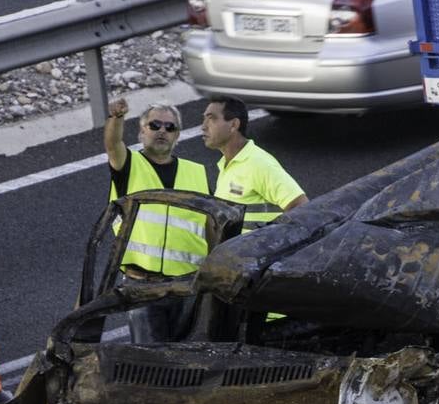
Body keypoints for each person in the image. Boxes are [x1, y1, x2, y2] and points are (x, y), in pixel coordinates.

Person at [104, 99, 211, 343]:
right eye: (155, 125)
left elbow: (211, 225)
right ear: (142, 132)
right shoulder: (128, 165)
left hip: (188, 284)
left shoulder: (196, 172)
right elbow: (112, 144)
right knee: (150, 361)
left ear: (177, 136)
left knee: (187, 357)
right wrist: (116, 118)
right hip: (143, 285)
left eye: (169, 127)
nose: (162, 131)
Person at [202, 96, 308, 233]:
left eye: (211, 118)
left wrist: (270, 245)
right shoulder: (226, 164)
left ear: (234, 125)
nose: (203, 126)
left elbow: (301, 207)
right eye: (204, 119)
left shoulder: (258, 163)